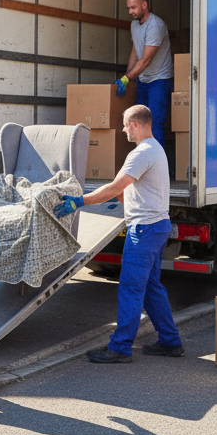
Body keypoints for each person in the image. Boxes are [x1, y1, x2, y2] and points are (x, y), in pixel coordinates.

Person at [52, 104, 182, 363]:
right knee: (151, 287)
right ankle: (170, 341)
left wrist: (79, 201)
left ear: (136, 124)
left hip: (144, 230)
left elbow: (114, 187)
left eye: (125, 125)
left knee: (131, 288)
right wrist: (125, 199)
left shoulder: (142, 153)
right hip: (157, 226)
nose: (123, 130)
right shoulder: (155, 150)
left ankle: (120, 347)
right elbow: (127, 189)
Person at [115, 0, 173, 148]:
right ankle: (144, 161)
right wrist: (128, 77)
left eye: (133, 7)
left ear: (144, 5)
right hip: (143, 80)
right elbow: (135, 51)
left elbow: (145, 59)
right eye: (128, 7)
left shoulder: (156, 25)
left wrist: (127, 78)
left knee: (154, 123)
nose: (130, 11)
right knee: (139, 123)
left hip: (159, 80)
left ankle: (157, 165)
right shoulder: (134, 25)